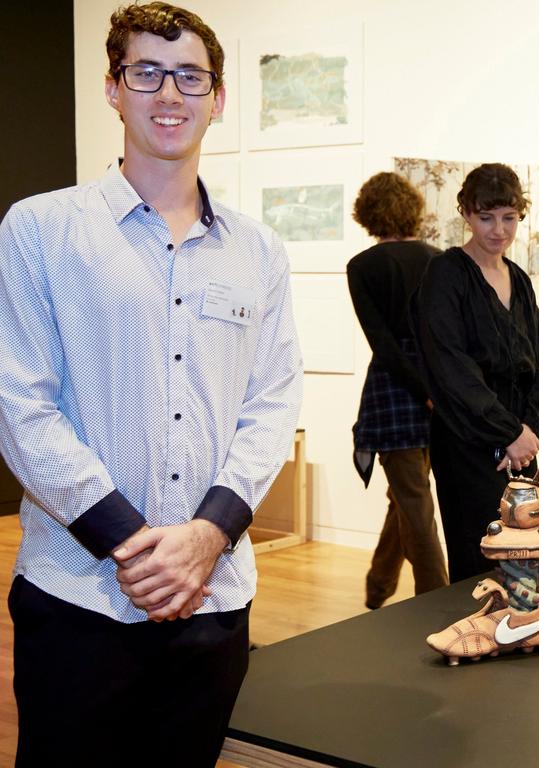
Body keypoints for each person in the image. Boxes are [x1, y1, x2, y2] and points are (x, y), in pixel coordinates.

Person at [0, 4, 303, 765]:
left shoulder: (259, 251)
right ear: (113, 89)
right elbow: (19, 405)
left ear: (219, 99)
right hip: (79, 598)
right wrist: (136, 549)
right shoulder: (39, 230)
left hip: (215, 599)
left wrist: (206, 539)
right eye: (147, 73)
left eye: (190, 77)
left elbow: (272, 405)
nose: (170, 94)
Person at [415, 163, 539, 583]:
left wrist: (526, 429)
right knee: (478, 556)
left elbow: (538, 360)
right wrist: (507, 432)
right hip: (467, 444)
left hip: (518, 445)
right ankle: (476, 640)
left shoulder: (520, 280)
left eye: (509, 218)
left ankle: (522, 631)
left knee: (523, 554)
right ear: (466, 214)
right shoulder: (445, 274)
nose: (499, 229)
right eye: (486, 217)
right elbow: (451, 369)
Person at [349, 172, 448, 608]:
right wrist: (437, 391)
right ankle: (378, 587)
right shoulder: (439, 259)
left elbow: (385, 347)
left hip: (394, 395)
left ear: (368, 214)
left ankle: (437, 606)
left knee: (414, 507)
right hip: (440, 393)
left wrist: (423, 391)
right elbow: (447, 337)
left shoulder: (363, 266)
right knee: (407, 498)